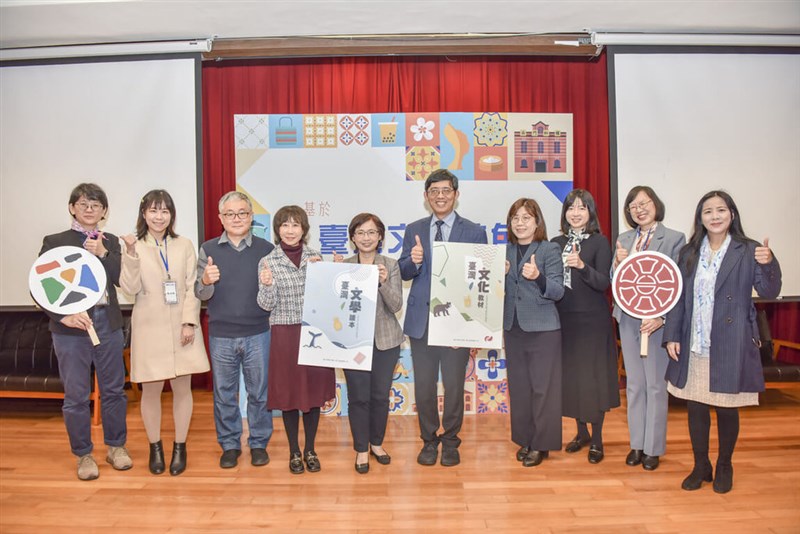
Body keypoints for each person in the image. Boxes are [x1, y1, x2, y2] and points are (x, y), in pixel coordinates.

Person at [664, 191, 781, 493]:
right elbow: (678, 299)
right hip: (695, 341)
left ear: (731, 214)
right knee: (696, 407)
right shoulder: (689, 252)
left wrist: (769, 263)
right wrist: (672, 335)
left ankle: (725, 464)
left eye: (720, 210)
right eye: (708, 211)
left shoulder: (749, 249)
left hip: (731, 341)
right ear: (700, 217)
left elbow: (768, 290)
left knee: (727, 408)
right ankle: (701, 464)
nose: (714, 216)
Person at [38, 183, 132, 480]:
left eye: (96, 205)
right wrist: (62, 315)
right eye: (83, 204)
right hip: (70, 329)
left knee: (114, 390)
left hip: (107, 322)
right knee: (76, 395)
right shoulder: (55, 241)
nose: (89, 209)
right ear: (72, 207)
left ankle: (116, 447)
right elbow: (40, 284)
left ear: (104, 211)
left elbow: (119, 278)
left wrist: (104, 253)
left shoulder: (111, 240)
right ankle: (83, 454)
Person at [398, 169, 488, 467]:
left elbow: (479, 279)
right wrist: (414, 261)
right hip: (422, 320)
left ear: (456, 194)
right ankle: (428, 440)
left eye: (446, 190)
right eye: (434, 191)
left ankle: (450, 440)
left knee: (453, 385)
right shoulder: (414, 228)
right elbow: (403, 271)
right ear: (426, 196)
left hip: (456, 323)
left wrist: (470, 325)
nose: (440, 196)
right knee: (423, 386)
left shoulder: (475, 231)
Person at [120, 189, 210, 476]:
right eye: (153, 211)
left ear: (171, 215)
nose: (159, 217)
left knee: (183, 388)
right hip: (149, 326)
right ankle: (155, 447)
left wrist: (188, 322)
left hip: (181, 327)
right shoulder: (134, 246)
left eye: (165, 211)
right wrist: (131, 255)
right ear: (144, 213)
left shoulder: (183, 244)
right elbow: (130, 288)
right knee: (152, 389)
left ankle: (180, 447)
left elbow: (191, 286)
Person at [195, 191, 274, 469]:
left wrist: (269, 283)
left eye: (242, 213)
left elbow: (275, 294)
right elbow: (200, 293)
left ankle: (258, 443)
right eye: (230, 214)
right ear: (221, 218)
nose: (236, 218)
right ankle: (229, 444)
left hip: (258, 332)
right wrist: (206, 279)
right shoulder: (208, 249)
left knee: (259, 393)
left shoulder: (266, 250)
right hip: (221, 334)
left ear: (251, 217)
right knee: (224, 394)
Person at [612, 186, 686, 471]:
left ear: (656, 204)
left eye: (644, 203)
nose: (639, 209)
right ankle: (637, 445)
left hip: (656, 322)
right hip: (629, 318)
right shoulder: (624, 238)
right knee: (634, 385)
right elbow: (615, 279)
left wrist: (664, 318)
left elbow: (678, 283)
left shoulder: (675, 239)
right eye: (633, 205)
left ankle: (653, 448)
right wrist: (618, 263)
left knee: (655, 386)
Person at [257, 205, 334, 474]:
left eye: (296, 225)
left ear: (304, 229)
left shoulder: (316, 257)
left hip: (314, 332)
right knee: (290, 396)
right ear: (278, 230)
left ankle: (310, 449)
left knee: (312, 396)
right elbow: (266, 305)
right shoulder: (268, 261)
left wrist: (327, 272)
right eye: (285, 225)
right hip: (285, 334)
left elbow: (327, 298)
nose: (290, 231)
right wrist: (266, 285)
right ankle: (294, 452)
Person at [552, 189, 620, 464]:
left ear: (590, 213)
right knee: (573, 378)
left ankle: (598, 439)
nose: (576, 212)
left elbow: (604, 282)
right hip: (564, 319)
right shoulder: (555, 243)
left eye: (582, 208)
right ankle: (581, 433)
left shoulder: (600, 242)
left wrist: (581, 265)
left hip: (593, 321)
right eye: (571, 207)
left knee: (593, 379)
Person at [335, 213, 404, 474]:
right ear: (353, 237)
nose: (366, 237)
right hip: (353, 345)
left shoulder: (391, 265)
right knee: (358, 397)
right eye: (361, 232)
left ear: (380, 237)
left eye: (372, 232)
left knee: (378, 397)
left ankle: (377, 444)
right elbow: (336, 310)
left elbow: (396, 305)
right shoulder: (344, 266)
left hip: (385, 342)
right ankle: (361, 449)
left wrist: (383, 282)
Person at [503, 198, 564, 467]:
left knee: (543, 388)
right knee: (520, 388)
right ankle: (526, 439)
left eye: (526, 217)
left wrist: (537, 276)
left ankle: (542, 444)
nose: (520, 223)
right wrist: (497, 276)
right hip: (513, 328)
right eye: (515, 218)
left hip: (543, 329)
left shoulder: (549, 249)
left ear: (537, 221)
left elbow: (558, 291)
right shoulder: (503, 251)